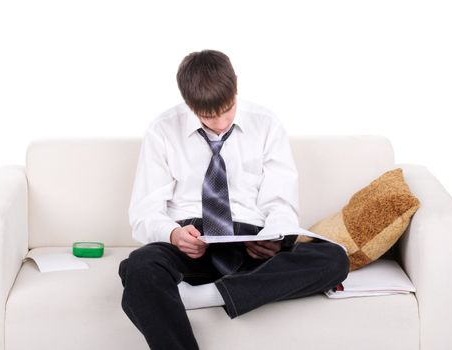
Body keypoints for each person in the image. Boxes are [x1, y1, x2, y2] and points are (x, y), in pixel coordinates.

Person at [118, 49, 349, 350]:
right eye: (208, 116)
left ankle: (210, 294)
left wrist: (275, 238)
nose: (220, 123)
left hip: (250, 242)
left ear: (236, 87)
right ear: (189, 104)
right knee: (138, 266)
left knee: (334, 259)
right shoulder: (162, 130)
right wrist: (173, 234)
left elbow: (280, 202)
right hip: (192, 243)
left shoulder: (267, 124)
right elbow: (145, 211)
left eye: (227, 110)